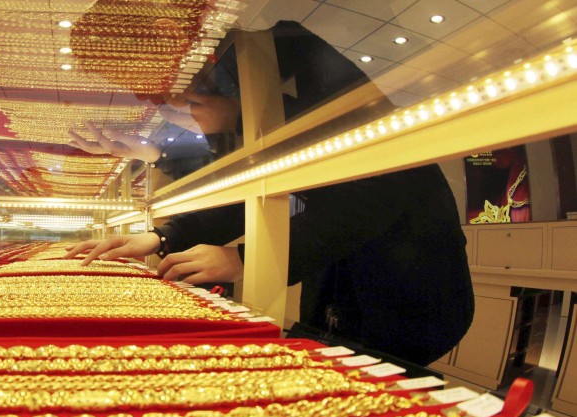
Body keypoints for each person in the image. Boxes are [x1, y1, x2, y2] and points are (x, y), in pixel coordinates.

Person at [66, 21, 474, 367]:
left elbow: (378, 185)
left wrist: (243, 257)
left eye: (126, 69)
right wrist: (160, 236)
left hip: (407, 283)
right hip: (334, 279)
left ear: (163, 36)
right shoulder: (215, 83)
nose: (142, 93)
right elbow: (243, 189)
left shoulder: (283, 50)